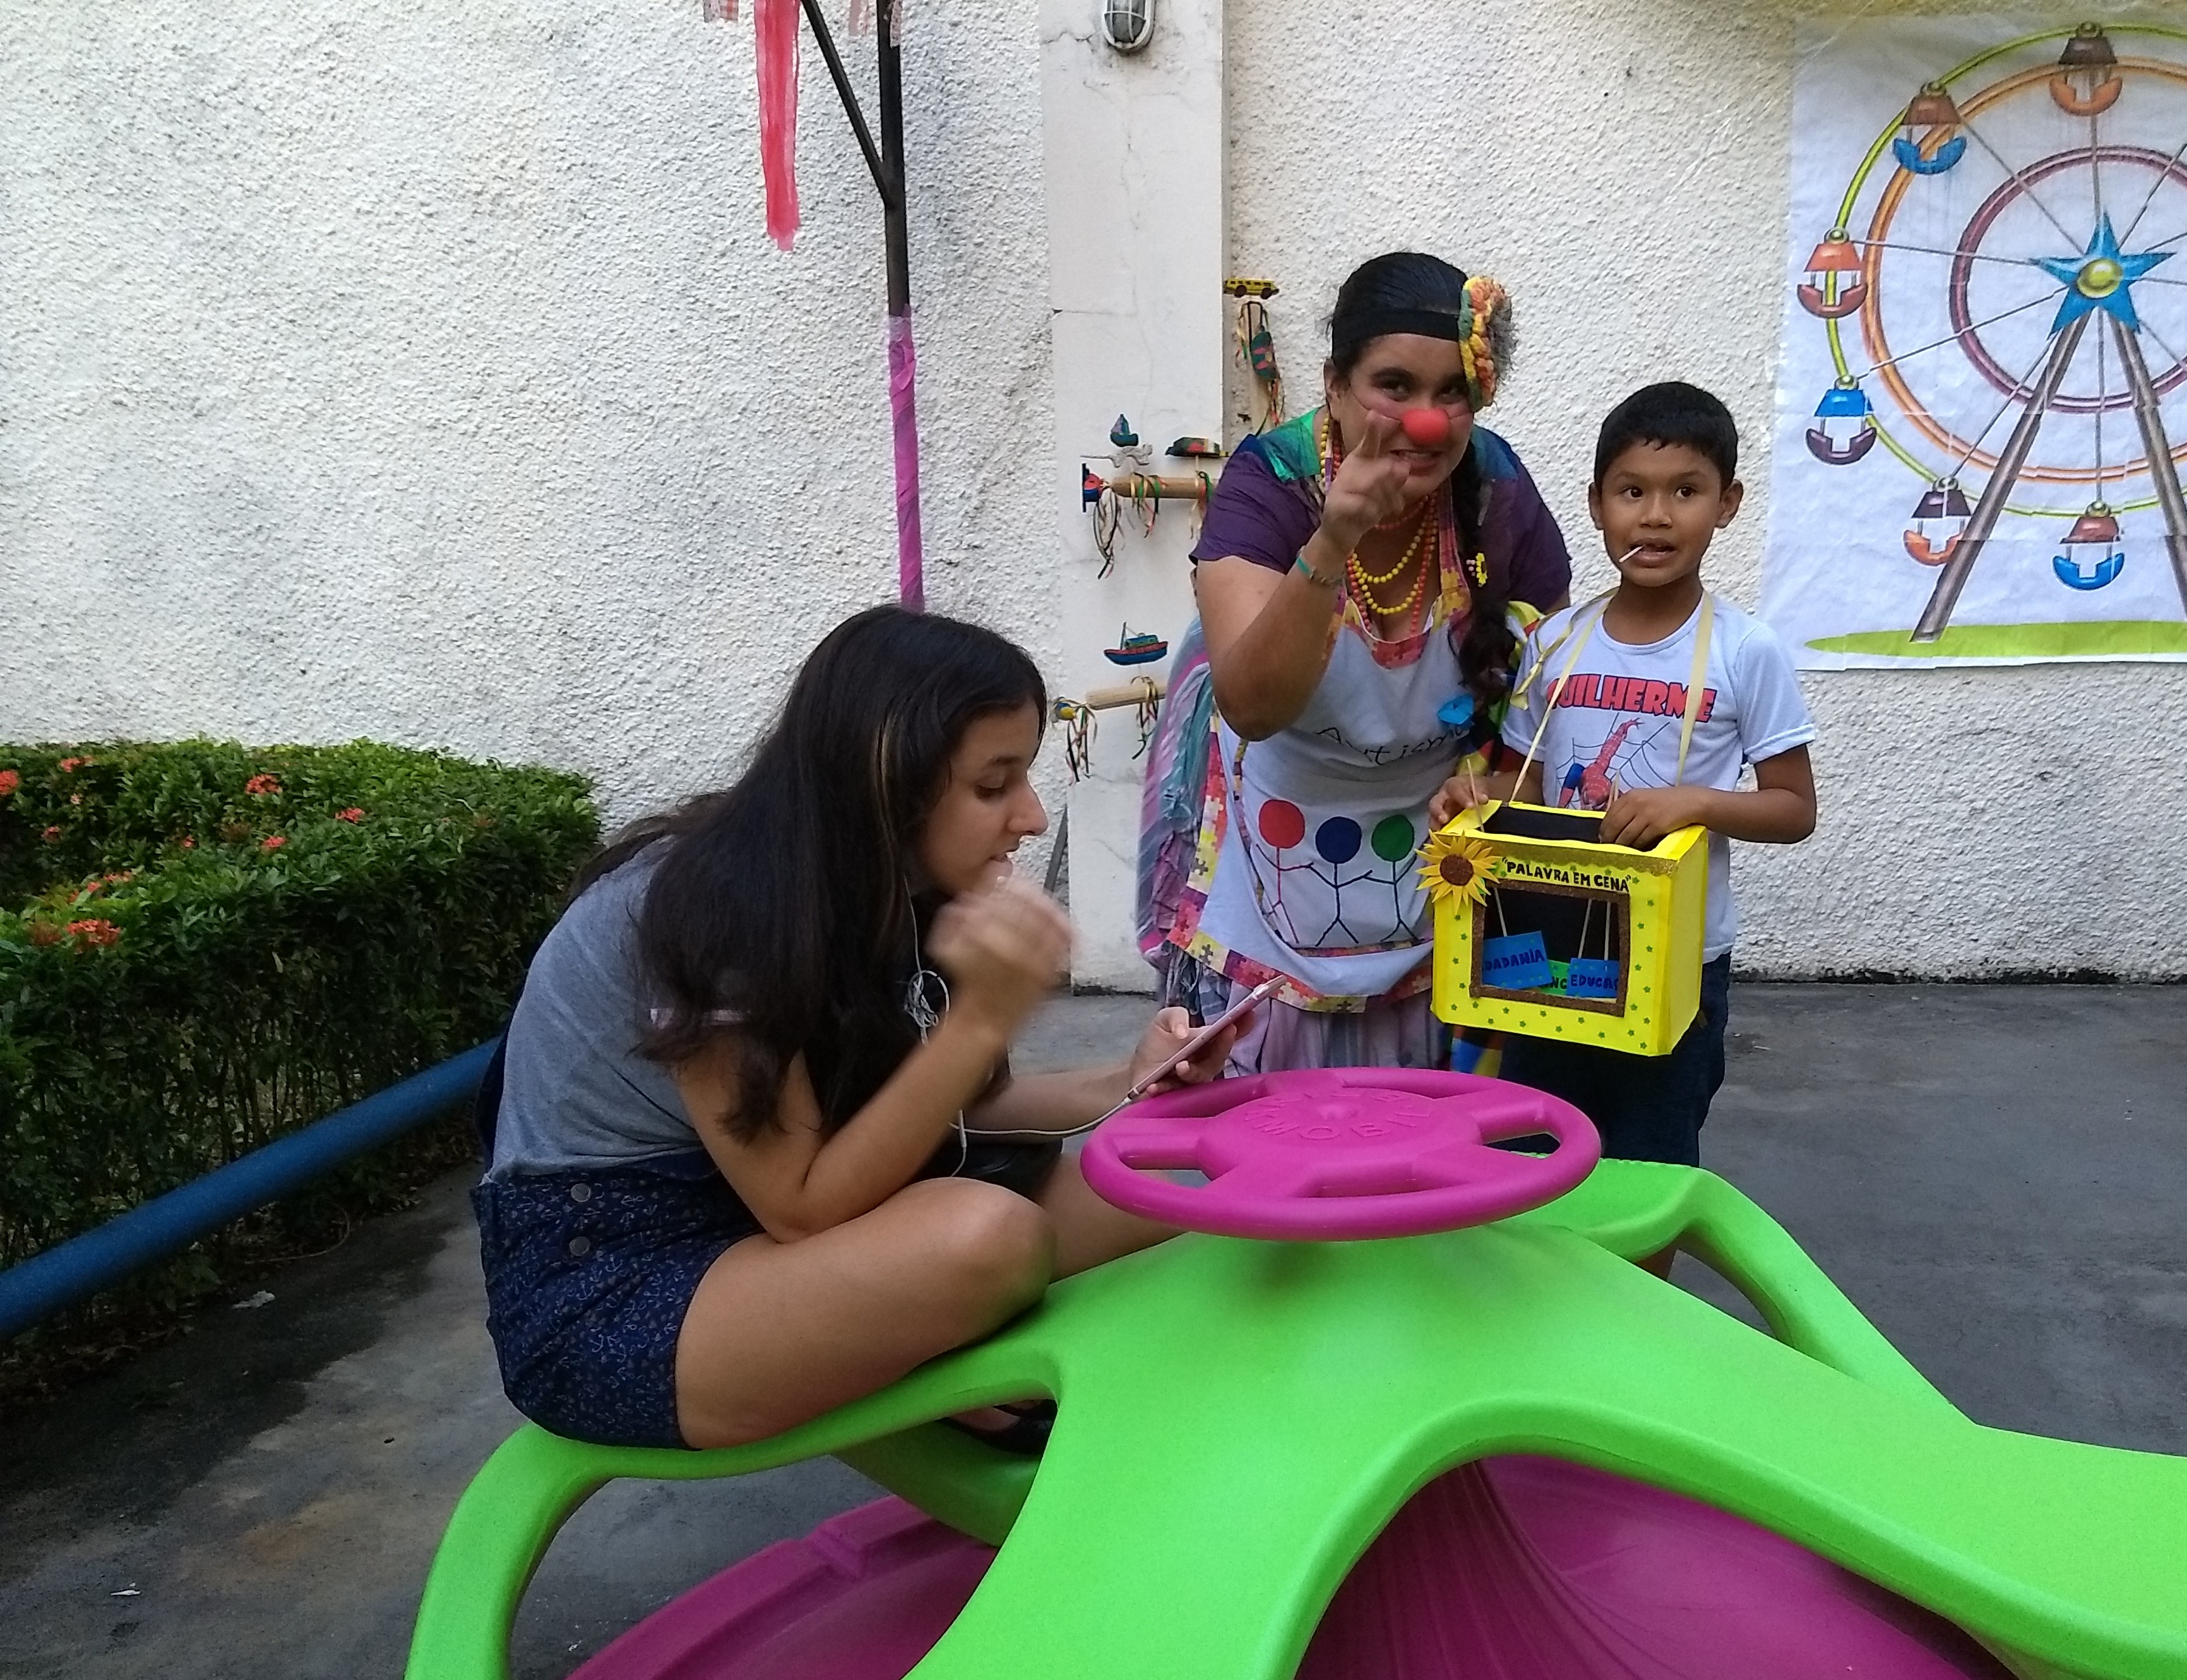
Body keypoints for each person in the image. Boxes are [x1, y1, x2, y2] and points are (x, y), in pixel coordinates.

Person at [473, 607, 1243, 1451]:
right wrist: (983, 1014)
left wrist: (1131, 1079)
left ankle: (931, 1345)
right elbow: (803, 1206)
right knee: (984, 1237)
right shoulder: (712, 914)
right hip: (621, 1277)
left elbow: (959, 1113)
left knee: (1176, 1178)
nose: (1030, 816)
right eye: (993, 785)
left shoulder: (891, 893)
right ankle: (933, 1357)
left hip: (781, 1228)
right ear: (886, 787)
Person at [1145, 251, 1572, 1071]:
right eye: (1396, 386)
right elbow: (1253, 704)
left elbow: (1552, 682)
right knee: (1273, 1153)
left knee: (1419, 1148)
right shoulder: (1271, 483)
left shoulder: (1495, 483)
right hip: (1277, 864)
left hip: (1433, 870)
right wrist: (1334, 538)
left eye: (1453, 392)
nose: (1427, 420)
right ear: (1335, 384)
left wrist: (1506, 780)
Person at [1431, 382, 1816, 1166]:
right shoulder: (1557, 644)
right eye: (1632, 491)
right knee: (1539, 1155)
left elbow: (1793, 809)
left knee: (1651, 1164)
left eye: (1687, 492)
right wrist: (1477, 797)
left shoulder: (1748, 651)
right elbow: (1532, 789)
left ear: (1728, 504)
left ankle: (1640, 1290)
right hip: (1545, 949)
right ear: (1597, 504)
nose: (1656, 516)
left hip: (1674, 961)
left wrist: (1697, 803)